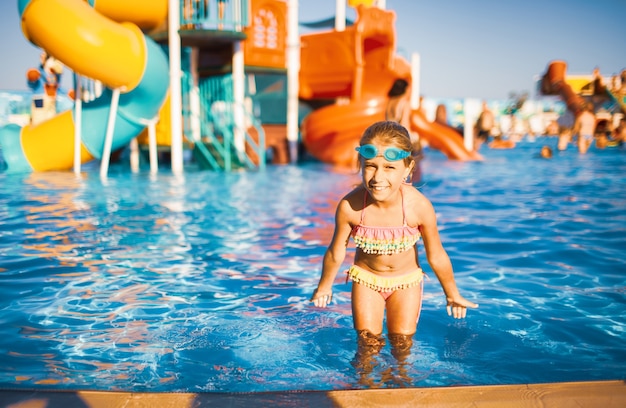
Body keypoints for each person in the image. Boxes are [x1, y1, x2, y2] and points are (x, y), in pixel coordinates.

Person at [311, 121, 478, 360]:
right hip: (367, 280)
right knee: (367, 345)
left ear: (408, 168)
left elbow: (436, 254)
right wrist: (324, 285)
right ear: (360, 164)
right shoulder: (351, 207)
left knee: (401, 345)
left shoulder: (418, 207)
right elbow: (336, 251)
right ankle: (363, 385)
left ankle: (399, 384)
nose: (378, 177)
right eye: (370, 166)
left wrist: (451, 293)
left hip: (406, 283)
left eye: (389, 167)